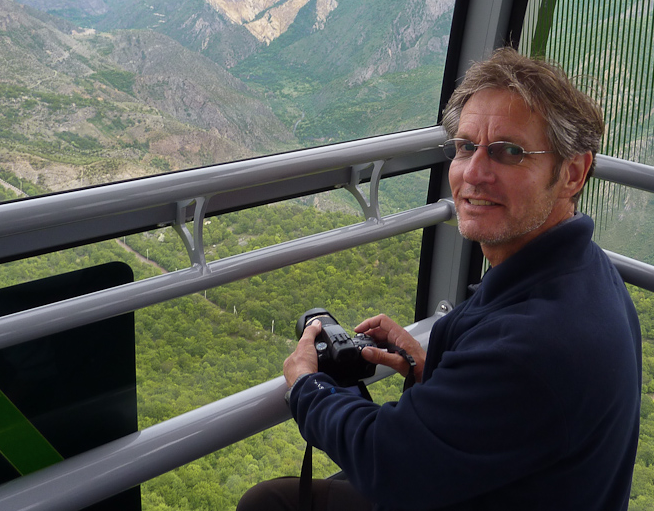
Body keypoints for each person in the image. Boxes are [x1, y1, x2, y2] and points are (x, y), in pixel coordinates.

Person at [238, 47, 642, 510]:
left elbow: (387, 462)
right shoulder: (583, 273)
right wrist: (438, 372)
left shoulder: (536, 342)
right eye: (466, 147)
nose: (474, 173)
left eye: (509, 152)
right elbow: (516, 413)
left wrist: (307, 388)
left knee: (268, 503)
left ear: (573, 173)